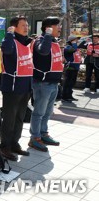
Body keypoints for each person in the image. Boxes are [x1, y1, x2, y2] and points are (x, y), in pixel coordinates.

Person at [0, 16, 33, 161]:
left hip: (26, 86)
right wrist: (9, 33)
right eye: (23, 25)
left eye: (27, 25)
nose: (26, 27)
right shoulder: (10, 41)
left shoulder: (28, 43)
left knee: (20, 117)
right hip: (12, 87)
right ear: (14, 27)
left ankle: (14, 143)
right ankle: (4, 146)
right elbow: (6, 51)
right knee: (9, 118)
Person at [28, 17, 62, 152]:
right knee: (39, 112)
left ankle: (43, 133)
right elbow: (43, 51)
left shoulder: (54, 42)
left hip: (53, 83)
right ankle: (34, 138)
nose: (60, 28)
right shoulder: (40, 41)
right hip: (43, 83)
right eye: (57, 26)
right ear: (48, 27)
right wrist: (47, 35)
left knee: (48, 112)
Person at [62, 35, 82, 101]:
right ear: (72, 41)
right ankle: (65, 96)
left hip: (75, 67)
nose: (77, 41)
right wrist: (74, 44)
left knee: (72, 83)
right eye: (76, 40)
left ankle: (69, 95)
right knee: (68, 82)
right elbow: (72, 50)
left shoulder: (76, 47)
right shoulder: (67, 47)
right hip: (70, 67)